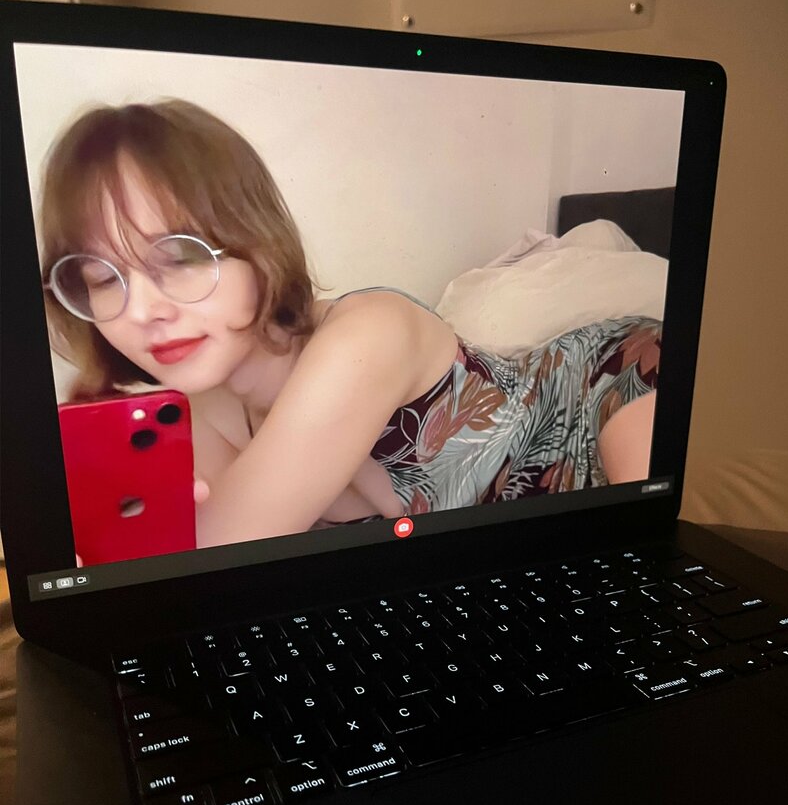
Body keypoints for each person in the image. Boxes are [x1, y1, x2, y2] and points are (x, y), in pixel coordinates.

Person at [40, 99, 660, 552]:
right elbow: (224, 577)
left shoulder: (365, 335)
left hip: (596, 394)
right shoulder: (200, 411)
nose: (142, 311)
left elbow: (217, 549)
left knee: (653, 558)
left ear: (255, 241)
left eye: (180, 259)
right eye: (102, 279)